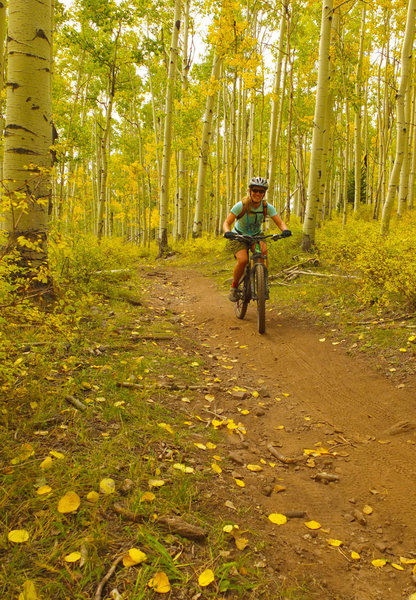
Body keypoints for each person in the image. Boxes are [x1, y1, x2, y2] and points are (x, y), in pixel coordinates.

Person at [223, 176, 292, 301]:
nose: (258, 194)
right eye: (255, 190)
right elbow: (226, 222)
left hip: (256, 236)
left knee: (263, 253)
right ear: (250, 191)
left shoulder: (266, 207)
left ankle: (262, 282)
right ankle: (234, 287)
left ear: (264, 193)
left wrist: (285, 230)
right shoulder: (241, 206)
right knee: (243, 260)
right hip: (239, 236)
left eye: (261, 191)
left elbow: (280, 222)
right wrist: (227, 232)